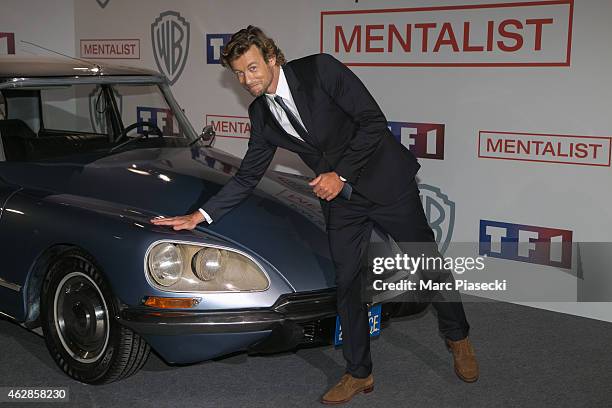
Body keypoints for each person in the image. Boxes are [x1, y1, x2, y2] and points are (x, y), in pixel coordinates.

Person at [151, 25, 478, 404]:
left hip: (385, 183)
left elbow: (373, 122)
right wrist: (198, 216)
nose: (247, 80)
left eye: (253, 68)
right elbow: (247, 177)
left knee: (427, 262)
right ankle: (359, 373)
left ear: (272, 58)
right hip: (340, 201)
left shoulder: (320, 70)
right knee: (348, 282)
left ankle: (458, 337)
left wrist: (340, 174)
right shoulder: (262, 115)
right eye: (239, 73)